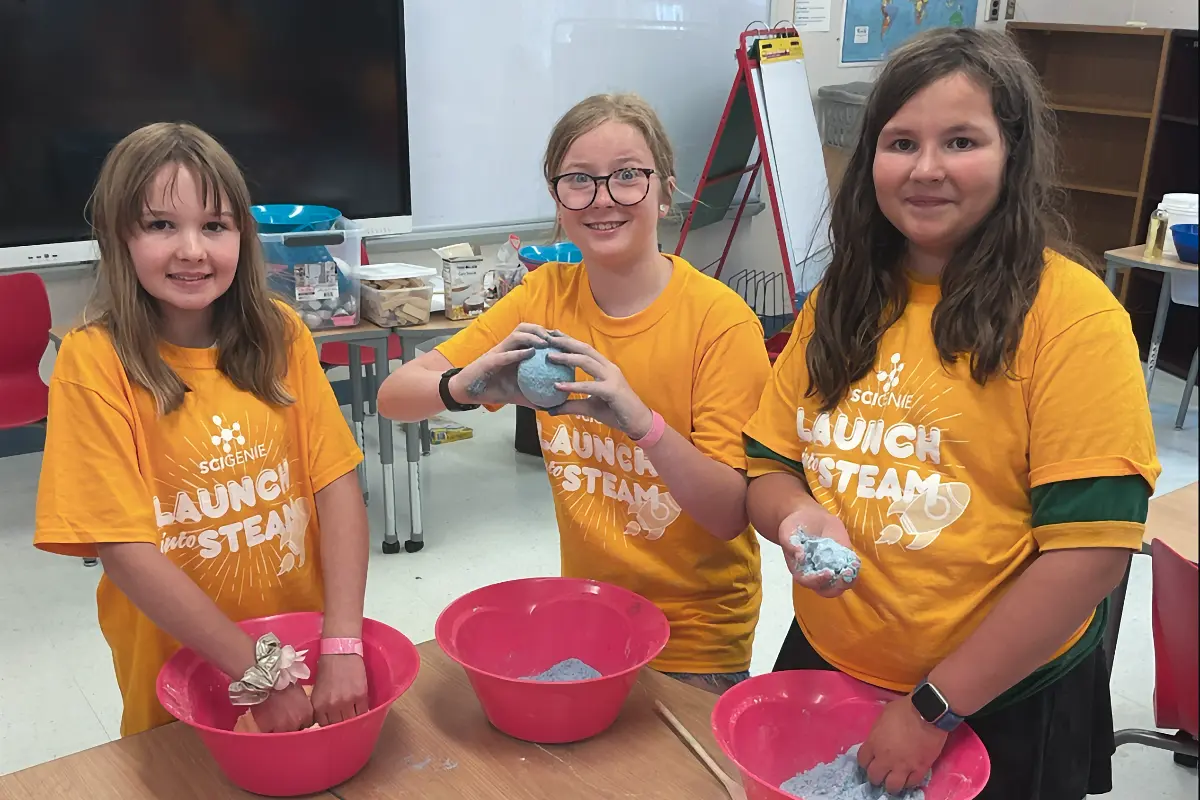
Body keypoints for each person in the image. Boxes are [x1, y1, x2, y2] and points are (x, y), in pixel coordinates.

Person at [743, 28, 1159, 799]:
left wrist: (934, 706)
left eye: (961, 140)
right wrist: (798, 517)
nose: (926, 168)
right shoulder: (844, 299)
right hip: (830, 662)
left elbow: (1089, 555)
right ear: (871, 160)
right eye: (901, 142)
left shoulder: (1072, 318)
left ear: (1013, 153)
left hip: (993, 697)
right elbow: (769, 467)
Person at [377, 93, 771, 693]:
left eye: (628, 177)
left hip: (694, 640)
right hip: (589, 615)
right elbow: (394, 396)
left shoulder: (720, 323)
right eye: (579, 181)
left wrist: (639, 421)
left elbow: (727, 516)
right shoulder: (545, 297)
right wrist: (467, 385)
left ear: (664, 192)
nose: (603, 198)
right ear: (559, 202)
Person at [34, 123, 371, 737]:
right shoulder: (93, 361)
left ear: (243, 236)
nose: (192, 249)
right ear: (119, 237)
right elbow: (124, 550)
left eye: (214, 226)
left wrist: (342, 642)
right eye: (161, 225)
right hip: (180, 676)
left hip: (304, 658)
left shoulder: (282, 332)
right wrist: (259, 675)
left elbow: (336, 481)